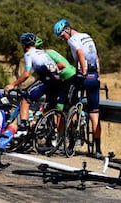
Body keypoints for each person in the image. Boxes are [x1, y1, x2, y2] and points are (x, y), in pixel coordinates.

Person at [53, 19, 102, 158]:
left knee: (72, 104)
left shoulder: (73, 39)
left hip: (84, 75)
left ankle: (72, 141)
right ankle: (98, 150)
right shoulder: (87, 36)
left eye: (62, 35)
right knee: (94, 112)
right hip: (95, 76)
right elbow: (96, 56)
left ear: (67, 29)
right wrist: (97, 73)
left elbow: (80, 54)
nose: (63, 39)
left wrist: (83, 72)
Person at [4, 32, 62, 138]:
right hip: (57, 80)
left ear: (24, 45)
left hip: (47, 80)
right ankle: (50, 135)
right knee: (49, 107)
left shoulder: (28, 54)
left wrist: (13, 84)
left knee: (25, 99)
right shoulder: (42, 52)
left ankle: (23, 129)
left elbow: (26, 74)